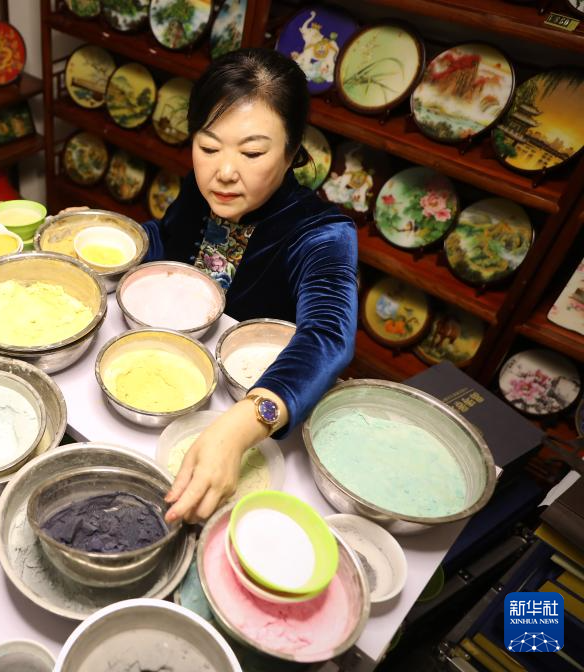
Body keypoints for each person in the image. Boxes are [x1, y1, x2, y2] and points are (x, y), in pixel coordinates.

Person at [139, 48, 358, 523]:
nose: (224, 171)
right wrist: (117, 237)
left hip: (253, 408)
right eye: (208, 147)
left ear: (293, 150)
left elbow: (328, 335)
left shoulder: (321, 233)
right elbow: (168, 240)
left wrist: (242, 425)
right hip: (172, 373)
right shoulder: (204, 190)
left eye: (253, 153)